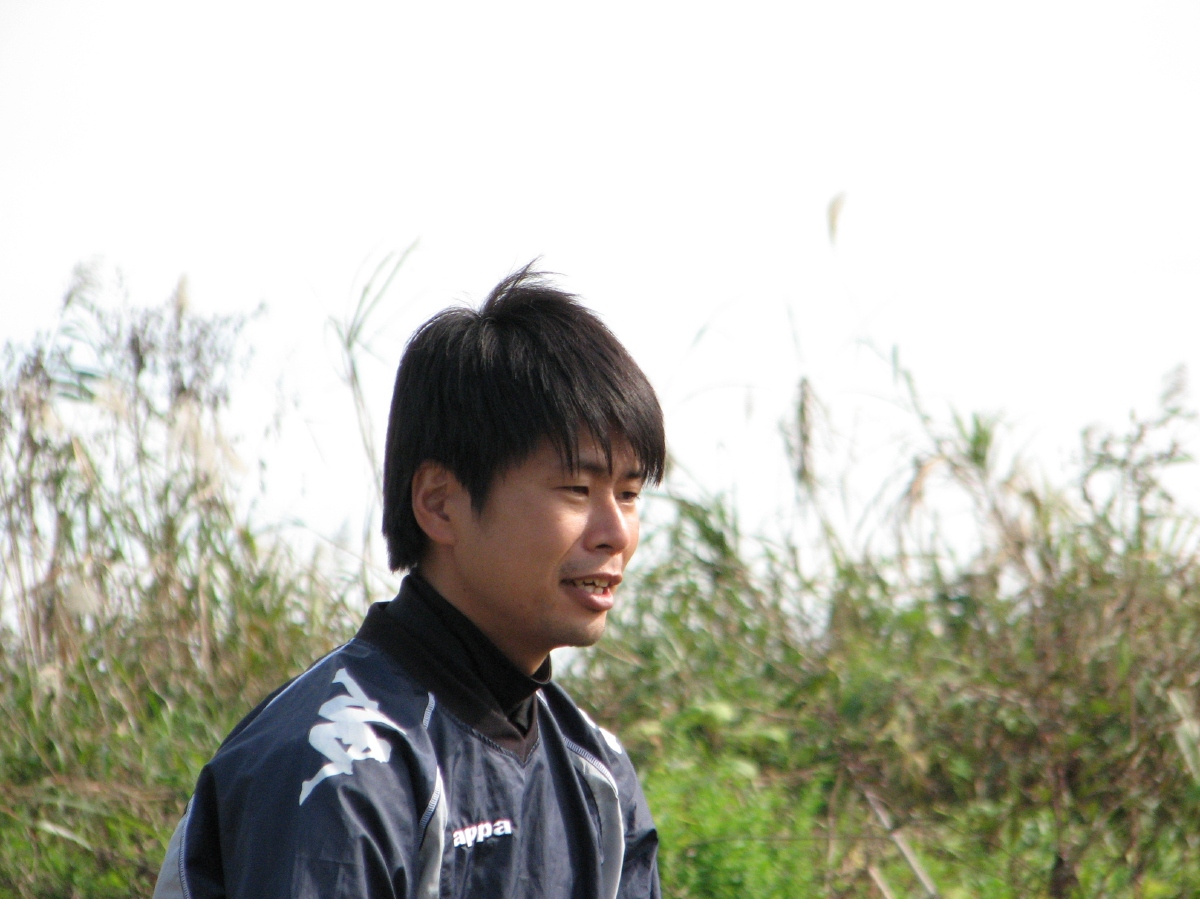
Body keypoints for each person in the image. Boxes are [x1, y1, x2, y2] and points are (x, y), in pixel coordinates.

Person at [153, 265, 665, 898]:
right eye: (576, 489)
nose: (615, 532)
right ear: (440, 504)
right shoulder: (338, 766)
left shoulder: (597, 774)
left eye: (629, 493)